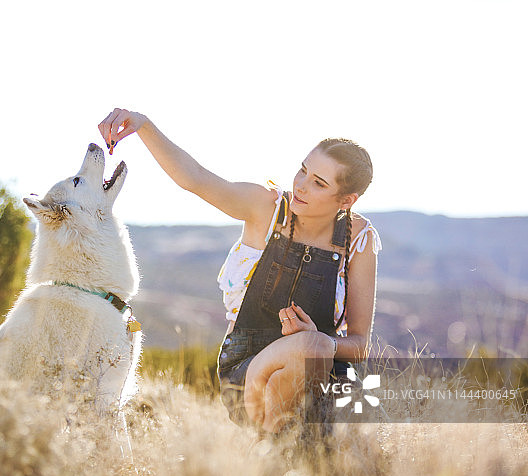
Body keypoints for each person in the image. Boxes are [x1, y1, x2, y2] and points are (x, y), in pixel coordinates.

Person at [97, 108, 381, 433]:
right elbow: (195, 178)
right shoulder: (266, 208)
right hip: (248, 368)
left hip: (325, 371)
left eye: (318, 183)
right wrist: (143, 125)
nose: (301, 185)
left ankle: (284, 457)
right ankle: (280, 453)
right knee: (311, 355)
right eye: (302, 171)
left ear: (346, 200)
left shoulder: (358, 240)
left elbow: (360, 346)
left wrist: (316, 338)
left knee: (333, 382)